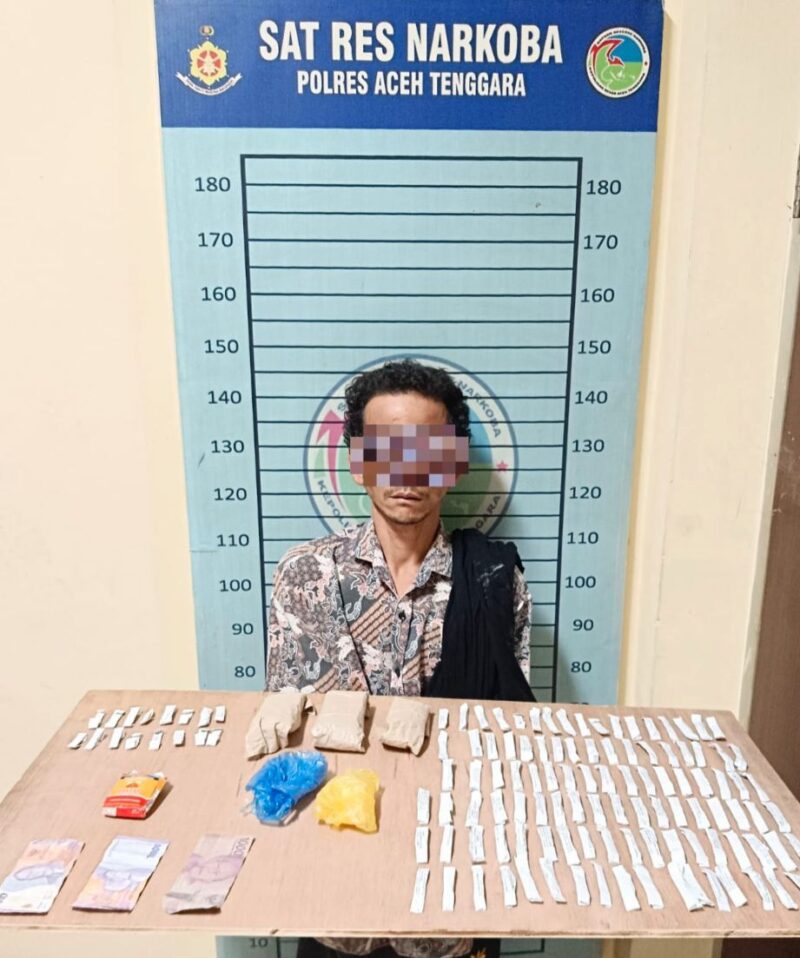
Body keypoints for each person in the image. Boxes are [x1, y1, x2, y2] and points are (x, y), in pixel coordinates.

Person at [266, 359, 533, 958]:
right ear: (357, 460)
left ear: (455, 463)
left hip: (451, 895)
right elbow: (288, 737)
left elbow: (507, 738)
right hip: (334, 899)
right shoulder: (304, 576)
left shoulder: (494, 581)